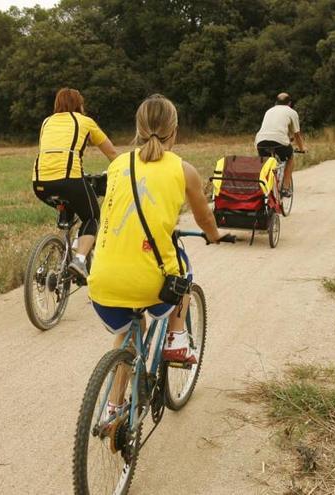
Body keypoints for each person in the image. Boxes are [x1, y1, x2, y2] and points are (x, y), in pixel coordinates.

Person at [88, 94, 225, 372]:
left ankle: (114, 409)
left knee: (128, 334)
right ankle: (176, 338)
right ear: (174, 131)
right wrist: (214, 235)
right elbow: (203, 217)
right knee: (183, 269)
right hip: (149, 283)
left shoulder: (117, 165)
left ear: (137, 130)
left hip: (102, 281)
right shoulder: (183, 169)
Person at [32, 88, 118, 278]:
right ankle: (79, 260)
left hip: (40, 183)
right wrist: (125, 171)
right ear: (79, 105)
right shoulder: (85, 121)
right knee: (92, 217)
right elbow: (112, 153)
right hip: (68, 179)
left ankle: (67, 249)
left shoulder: (47, 122)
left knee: (70, 207)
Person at [255, 92, 306, 197]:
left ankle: (264, 188)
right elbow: (297, 134)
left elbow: (274, 129)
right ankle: (286, 188)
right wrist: (302, 148)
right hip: (279, 141)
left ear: (276, 102)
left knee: (265, 164)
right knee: (290, 158)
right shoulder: (292, 112)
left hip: (260, 141)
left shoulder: (269, 111)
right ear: (290, 103)